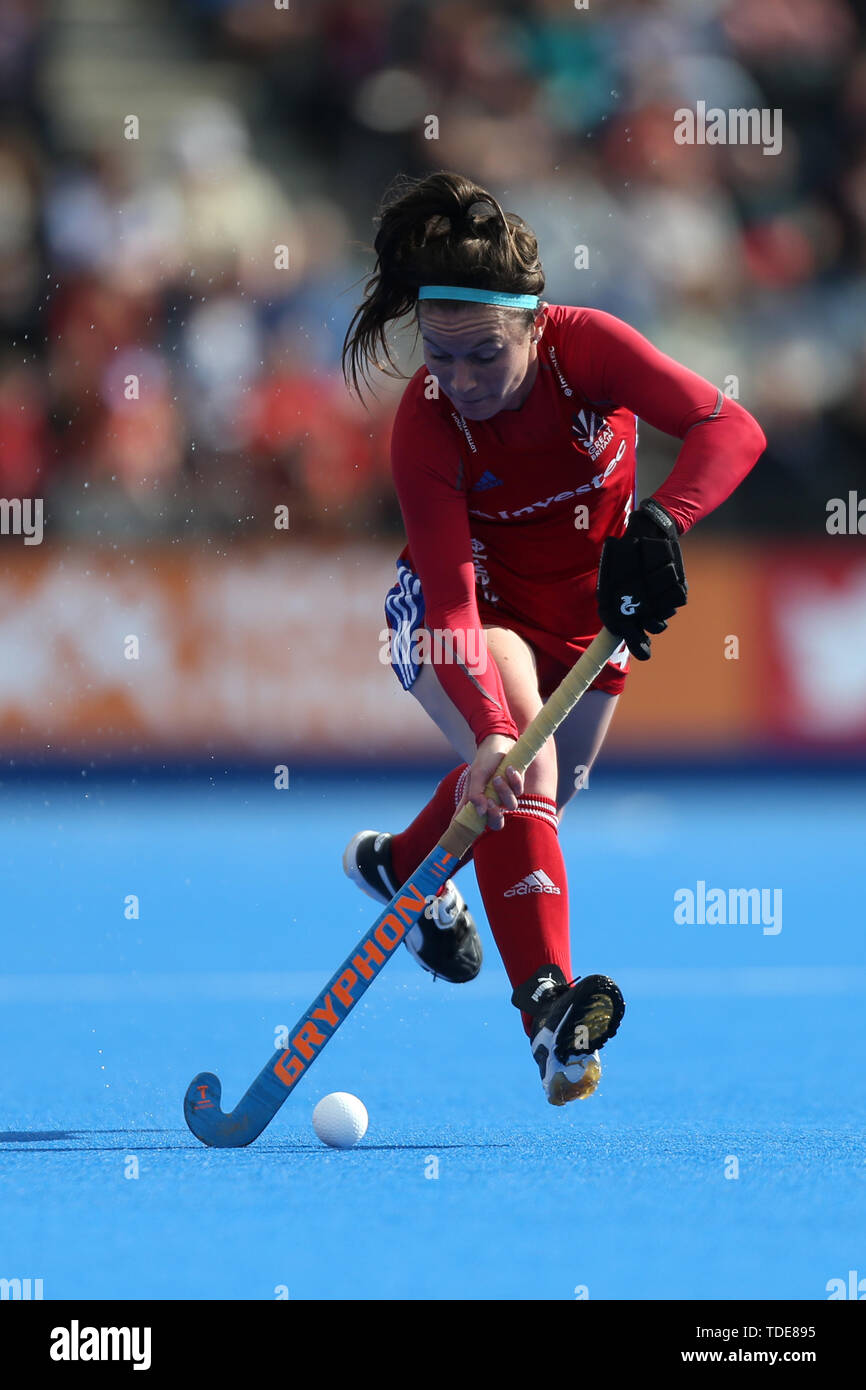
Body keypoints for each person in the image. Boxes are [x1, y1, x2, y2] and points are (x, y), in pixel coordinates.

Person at [340, 171, 766, 1106]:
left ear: (534, 323)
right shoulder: (426, 425)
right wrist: (493, 726)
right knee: (518, 766)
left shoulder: (591, 348)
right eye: (440, 358)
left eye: (483, 356)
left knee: (544, 795)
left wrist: (664, 521)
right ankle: (547, 1015)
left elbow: (728, 428)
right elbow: (451, 605)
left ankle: (399, 866)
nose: (459, 382)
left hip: (587, 619)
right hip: (465, 614)